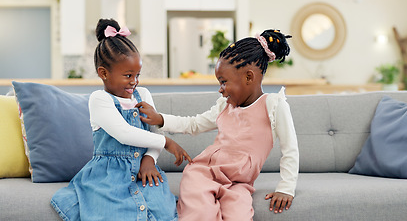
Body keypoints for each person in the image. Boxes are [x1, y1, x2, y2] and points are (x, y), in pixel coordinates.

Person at [137, 29, 299, 221]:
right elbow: (194, 124)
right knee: (199, 214)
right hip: (203, 174)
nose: (220, 89)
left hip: (240, 183)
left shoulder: (273, 105)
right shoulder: (224, 105)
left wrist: (286, 189)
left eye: (223, 82)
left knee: (239, 216)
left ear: (249, 77)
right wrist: (160, 119)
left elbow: (290, 150)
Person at [51, 18, 191, 221]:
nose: (134, 82)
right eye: (128, 75)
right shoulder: (99, 99)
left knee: (163, 211)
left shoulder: (143, 94)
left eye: (137, 75)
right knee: (113, 214)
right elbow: (124, 134)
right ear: (104, 73)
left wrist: (150, 159)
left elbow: (154, 132)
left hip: (145, 169)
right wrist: (167, 142)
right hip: (108, 176)